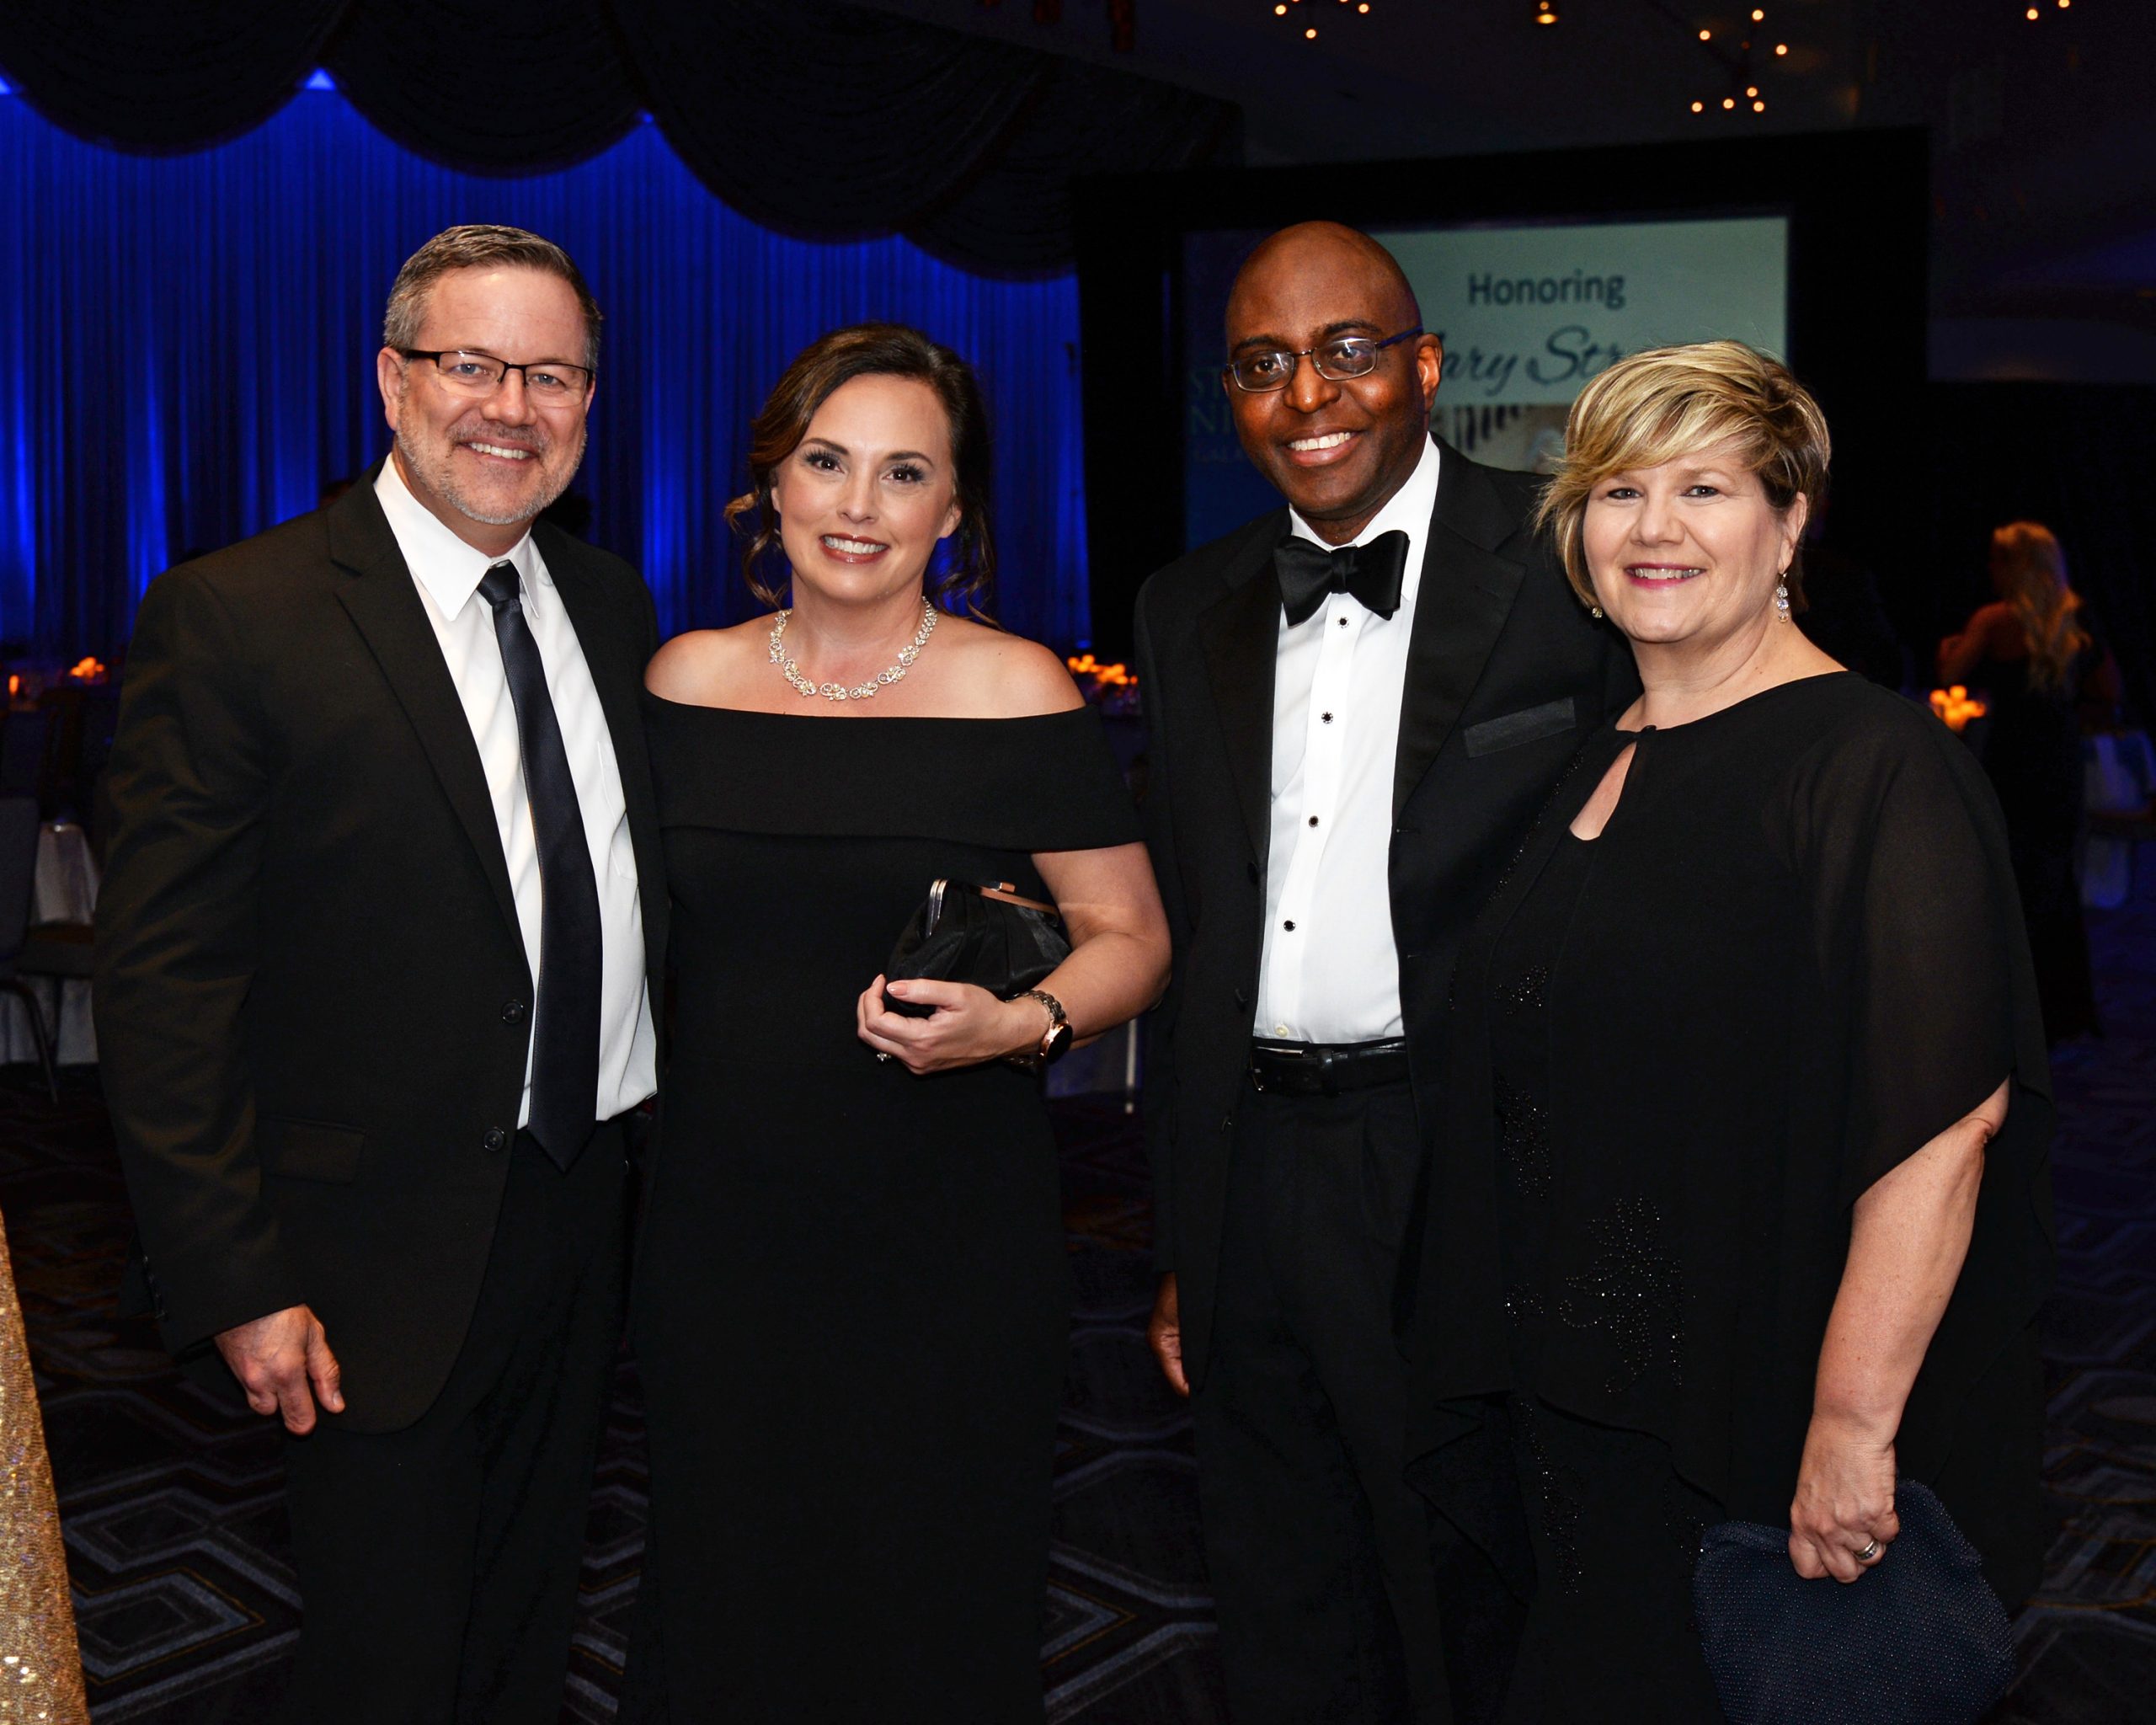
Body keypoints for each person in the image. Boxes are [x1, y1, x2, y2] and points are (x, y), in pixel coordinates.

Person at [1403, 342, 2053, 1722]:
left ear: (1789, 519)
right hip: (1576, 1403)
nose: (1655, 528)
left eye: (1703, 487)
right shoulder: (1601, 752)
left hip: (1750, 1417)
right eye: (1619, 490)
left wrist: (1850, 1428)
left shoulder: (1873, 766)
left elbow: (1944, 1130)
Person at [96, 225, 664, 1723]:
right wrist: (236, 1277)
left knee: (529, 1624)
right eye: (473, 364)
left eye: (552, 375)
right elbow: (165, 987)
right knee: (386, 1661)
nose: (512, 407)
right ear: (391, 380)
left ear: (589, 402)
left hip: (585, 1209)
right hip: (361, 1257)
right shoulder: (240, 614)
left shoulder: (612, 605)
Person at [624, 323, 1169, 1722]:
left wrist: (1021, 1024)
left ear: (954, 508)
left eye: (904, 471)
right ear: (772, 484)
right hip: (721, 1231)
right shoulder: (683, 681)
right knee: (729, 1590)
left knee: (929, 1600)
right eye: (827, 462)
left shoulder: (1016, 686)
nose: (859, 505)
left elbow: (1133, 939)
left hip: (948, 1232)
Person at [1133, 222, 1638, 1723]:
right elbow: (1196, 926)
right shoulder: (1185, 603)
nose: (1308, 395)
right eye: (1262, 364)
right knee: (1276, 1579)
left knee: (1469, 1583)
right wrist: (1187, 1224)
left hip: (1463, 1157)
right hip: (1249, 1162)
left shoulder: (1571, 563)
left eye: (1347, 351)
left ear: (1425, 367)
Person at [1939, 521, 2116, 1043]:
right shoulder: (2074, 617)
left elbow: (1950, 676)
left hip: (2012, 764)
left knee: (2011, 883)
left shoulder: (1995, 620)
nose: (1991, 570)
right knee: (2056, 883)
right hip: (2060, 764)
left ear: (2015, 566)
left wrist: (1950, 648)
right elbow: (2109, 692)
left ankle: (2015, 1015)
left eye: (1998, 560)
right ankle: (2065, 1011)